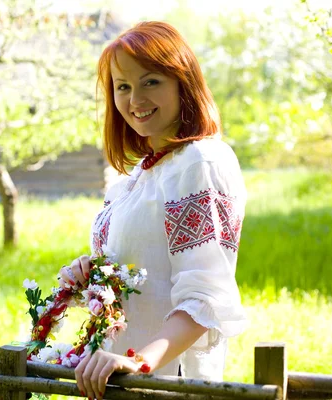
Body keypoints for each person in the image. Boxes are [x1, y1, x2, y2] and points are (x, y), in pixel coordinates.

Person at [57, 21, 248, 400]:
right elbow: (144, 273)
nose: (135, 99)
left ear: (182, 81)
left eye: (150, 82)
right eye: (122, 87)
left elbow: (206, 297)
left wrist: (137, 361)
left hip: (163, 381)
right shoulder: (136, 178)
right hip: (114, 379)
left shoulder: (199, 162)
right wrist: (92, 274)